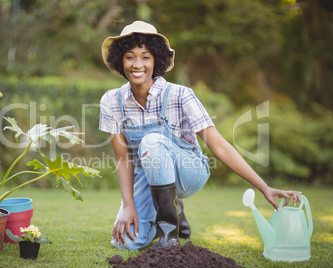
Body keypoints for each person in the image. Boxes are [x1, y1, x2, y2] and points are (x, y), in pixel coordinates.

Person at [99, 21, 301, 251]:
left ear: (156, 60)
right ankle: (175, 211)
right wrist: (128, 206)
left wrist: (264, 187)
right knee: (125, 242)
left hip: (189, 171)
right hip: (149, 175)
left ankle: (169, 235)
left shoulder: (180, 95)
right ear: (120, 60)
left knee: (151, 141)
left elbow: (220, 146)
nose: (137, 64)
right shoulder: (111, 101)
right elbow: (123, 159)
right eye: (130, 56)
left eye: (145, 57)